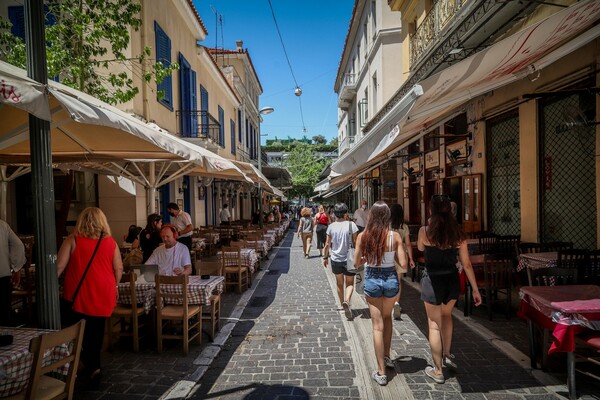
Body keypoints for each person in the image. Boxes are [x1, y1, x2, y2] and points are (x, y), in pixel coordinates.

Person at [417, 195, 482, 384]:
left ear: (432, 210)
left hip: (432, 281)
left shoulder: (425, 231)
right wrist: (476, 290)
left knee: (433, 324)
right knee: (447, 317)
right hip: (451, 280)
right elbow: (467, 264)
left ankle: (437, 371)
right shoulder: (458, 233)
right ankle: (447, 354)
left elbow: (421, 248)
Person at [57, 207, 123, 386]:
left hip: (77, 294)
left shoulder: (73, 240)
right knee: (96, 331)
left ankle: (91, 365)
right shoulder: (111, 242)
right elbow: (118, 268)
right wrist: (115, 285)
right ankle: (95, 365)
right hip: (103, 291)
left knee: (77, 331)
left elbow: (58, 267)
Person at [353, 201, 407, 386]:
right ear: (387, 216)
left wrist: (366, 258)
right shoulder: (395, 236)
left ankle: (381, 372)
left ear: (371, 216)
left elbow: (355, 264)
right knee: (387, 318)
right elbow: (404, 265)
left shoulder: (363, 236)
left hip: (373, 278)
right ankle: (387, 356)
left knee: (377, 326)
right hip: (391, 278)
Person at [322, 203, 358, 320]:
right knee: (350, 283)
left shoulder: (331, 226)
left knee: (339, 283)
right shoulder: (351, 225)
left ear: (335, 214)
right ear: (346, 213)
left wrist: (325, 257)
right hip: (350, 259)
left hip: (336, 259)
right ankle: (347, 301)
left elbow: (327, 244)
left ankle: (342, 304)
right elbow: (356, 243)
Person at [390, 204, 416, 320]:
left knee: (389, 279)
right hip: (401, 255)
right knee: (398, 281)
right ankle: (396, 302)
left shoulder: (387, 226)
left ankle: (390, 303)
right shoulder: (404, 227)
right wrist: (411, 258)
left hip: (389, 254)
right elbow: (409, 244)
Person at [0, 219, 26, 326]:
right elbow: (19, 245)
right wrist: (17, 268)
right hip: (3, 277)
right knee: (3, 314)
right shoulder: (2, 225)